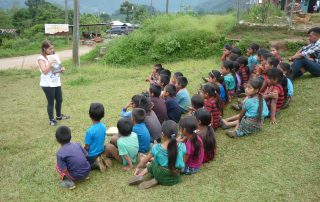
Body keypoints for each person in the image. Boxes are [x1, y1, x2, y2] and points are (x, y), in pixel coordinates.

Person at [129, 120, 186, 189]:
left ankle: (141, 175)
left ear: (162, 134)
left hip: (160, 173)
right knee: (160, 162)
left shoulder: (156, 148)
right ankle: (156, 180)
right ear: (177, 135)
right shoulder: (182, 146)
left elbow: (145, 161)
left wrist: (138, 167)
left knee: (154, 162)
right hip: (174, 177)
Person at [37, 40, 69, 126]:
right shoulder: (41, 59)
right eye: (50, 49)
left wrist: (61, 69)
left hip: (56, 81)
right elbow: (44, 71)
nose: (52, 50)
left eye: (53, 48)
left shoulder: (54, 56)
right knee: (51, 101)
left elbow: (57, 68)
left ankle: (58, 116)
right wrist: (50, 64)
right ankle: (51, 120)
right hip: (47, 84)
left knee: (59, 100)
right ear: (44, 49)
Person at [84, 103, 109, 172]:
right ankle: (102, 159)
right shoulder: (103, 126)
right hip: (101, 151)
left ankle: (96, 164)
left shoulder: (90, 131)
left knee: (83, 164)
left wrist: (83, 153)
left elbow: (87, 147)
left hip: (92, 155)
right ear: (103, 115)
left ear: (89, 115)